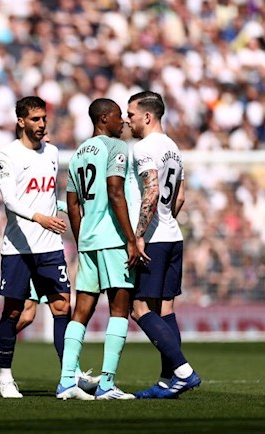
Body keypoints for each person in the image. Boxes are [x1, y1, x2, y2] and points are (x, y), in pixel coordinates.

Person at [0, 96, 73, 399]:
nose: (41, 124)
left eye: (44, 118)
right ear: (20, 121)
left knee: (63, 307)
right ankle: (5, 377)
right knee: (14, 312)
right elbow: (10, 199)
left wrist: (62, 210)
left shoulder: (53, 153)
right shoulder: (6, 155)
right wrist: (40, 219)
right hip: (18, 247)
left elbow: (48, 195)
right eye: (35, 119)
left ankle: (68, 377)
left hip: (50, 246)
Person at [56, 98, 140, 400]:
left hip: (89, 241)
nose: (124, 121)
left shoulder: (78, 152)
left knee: (81, 311)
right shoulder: (115, 147)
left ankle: (66, 380)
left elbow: (72, 203)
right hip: (112, 240)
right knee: (120, 309)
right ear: (104, 118)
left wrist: (82, 240)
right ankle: (106, 384)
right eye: (119, 116)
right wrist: (130, 238)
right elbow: (115, 191)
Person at [126, 91, 201, 399]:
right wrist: (167, 221)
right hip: (173, 235)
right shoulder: (173, 147)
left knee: (138, 308)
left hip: (154, 240)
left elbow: (152, 191)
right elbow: (179, 196)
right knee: (165, 309)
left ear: (147, 116)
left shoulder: (144, 148)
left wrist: (140, 233)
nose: (127, 119)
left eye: (131, 114)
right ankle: (165, 381)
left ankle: (183, 372)